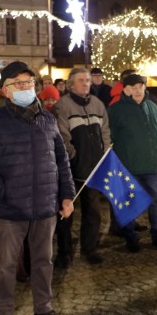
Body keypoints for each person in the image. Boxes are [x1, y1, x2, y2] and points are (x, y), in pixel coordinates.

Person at [0, 61, 75, 315]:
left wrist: (66, 195)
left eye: (29, 83)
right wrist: (2, 190)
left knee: (43, 261)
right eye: (19, 83)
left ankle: (43, 309)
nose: (26, 88)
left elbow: (62, 161)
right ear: (5, 90)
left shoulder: (48, 119)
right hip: (9, 209)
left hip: (45, 206)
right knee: (5, 265)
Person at [51, 67, 110, 267]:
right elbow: (61, 136)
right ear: (71, 84)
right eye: (81, 80)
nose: (86, 83)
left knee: (93, 212)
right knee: (66, 213)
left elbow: (105, 132)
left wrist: (104, 154)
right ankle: (64, 252)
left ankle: (89, 248)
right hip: (71, 170)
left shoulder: (98, 104)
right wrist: (73, 157)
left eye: (87, 80)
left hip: (93, 169)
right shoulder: (62, 106)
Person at [108, 74, 157, 252]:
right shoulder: (116, 110)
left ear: (145, 88)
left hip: (152, 166)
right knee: (129, 204)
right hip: (128, 167)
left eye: (140, 86)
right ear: (126, 90)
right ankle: (130, 238)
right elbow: (109, 139)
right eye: (133, 87)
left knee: (156, 204)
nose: (137, 90)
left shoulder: (152, 106)